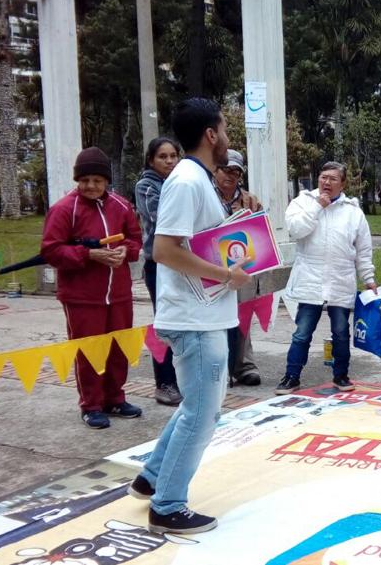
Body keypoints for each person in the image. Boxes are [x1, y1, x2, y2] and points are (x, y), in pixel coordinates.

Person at [128, 97, 253, 535]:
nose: (229, 138)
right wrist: (225, 274)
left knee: (202, 410)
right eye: (225, 129)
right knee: (201, 413)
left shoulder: (196, 179)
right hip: (194, 318)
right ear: (210, 134)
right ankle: (168, 505)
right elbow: (164, 250)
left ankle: (152, 476)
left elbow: (194, 240)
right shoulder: (186, 180)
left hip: (205, 313)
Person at [41, 147, 144, 429]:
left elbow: (135, 240)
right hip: (82, 297)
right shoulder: (64, 209)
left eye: (97, 180)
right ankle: (92, 405)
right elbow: (51, 251)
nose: (90, 186)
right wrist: (88, 255)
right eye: (84, 180)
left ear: (107, 181)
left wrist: (125, 251)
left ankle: (115, 398)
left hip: (119, 294)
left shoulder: (121, 206)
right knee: (89, 351)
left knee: (119, 348)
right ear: (77, 180)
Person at [276, 161, 377, 395]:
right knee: (302, 332)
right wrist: (318, 207)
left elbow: (363, 251)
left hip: (340, 281)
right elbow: (296, 230)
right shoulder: (302, 202)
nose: (326, 182)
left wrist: (368, 278)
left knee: (341, 332)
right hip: (310, 280)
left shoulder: (353, 212)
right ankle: (291, 376)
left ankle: (341, 375)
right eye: (323, 177)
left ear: (343, 183)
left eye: (332, 179)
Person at [135, 137, 184, 406]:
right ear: (151, 160)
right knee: (164, 324)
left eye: (173, 156)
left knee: (183, 323)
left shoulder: (181, 183)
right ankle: (164, 383)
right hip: (159, 264)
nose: (168, 161)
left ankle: (181, 379)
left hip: (183, 262)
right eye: (162, 156)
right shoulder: (146, 185)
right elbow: (162, 218)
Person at [213, 149, 262, 387]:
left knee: (243, 315)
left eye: (236, 172)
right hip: (212, 268)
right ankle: (220, 368)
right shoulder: (206, 196)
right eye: (225, 170)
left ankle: (244, 366)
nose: (230, 176)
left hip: (244, 268)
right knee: (217, 318)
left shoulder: (250, 200)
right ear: (215, 170)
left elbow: (262, 233)